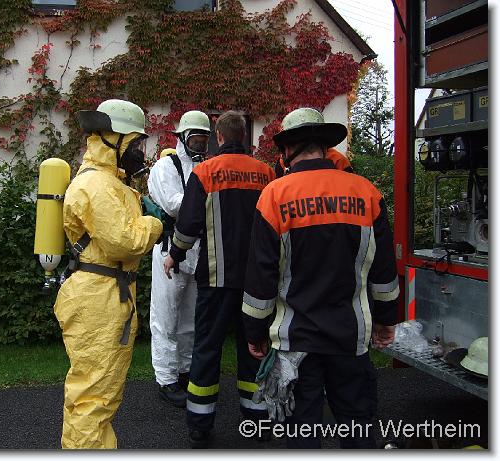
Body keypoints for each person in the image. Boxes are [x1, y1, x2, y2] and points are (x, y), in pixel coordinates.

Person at [242, 107, 398, 449]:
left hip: (297, 342)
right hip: (350, 338)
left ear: (288, 149)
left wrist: (254, 332)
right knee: (357, 430)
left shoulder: (274, 196)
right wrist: (386, 320)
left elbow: (260, 279)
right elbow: (384, 273)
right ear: (324, 146)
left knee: (302, 436)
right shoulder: (367, 193)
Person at [53, 99, 163, 449]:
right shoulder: (98, 185)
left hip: (105, 296)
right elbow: (124, 243)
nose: (140, 151)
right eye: (136, 143)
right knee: (94, 398)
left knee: (96, 394)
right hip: (98, 300)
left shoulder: (109, 182)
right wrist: (155, 223)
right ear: (113, 140)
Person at [164, 110, 275, 448]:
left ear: (220, 137)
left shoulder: (205, 172)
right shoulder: (266, 173)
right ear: (244, 136)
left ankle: (200, 425)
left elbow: (188, 225)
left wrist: (174, 254)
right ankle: (258, 419)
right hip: (257, 283)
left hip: (215, 280)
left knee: (207, 350)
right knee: (255, 348)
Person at [147, 110, 211, 407]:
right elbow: (174, 205)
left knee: (189, 319)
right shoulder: (165, 166)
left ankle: (184, 371)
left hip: (198, 250)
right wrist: (206, 204)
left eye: (203, 139)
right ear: (182, 138)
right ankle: (166, 378)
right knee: (165, 317)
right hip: (169, 250)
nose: (199, 144)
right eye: (194, 138)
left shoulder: (206, 166)